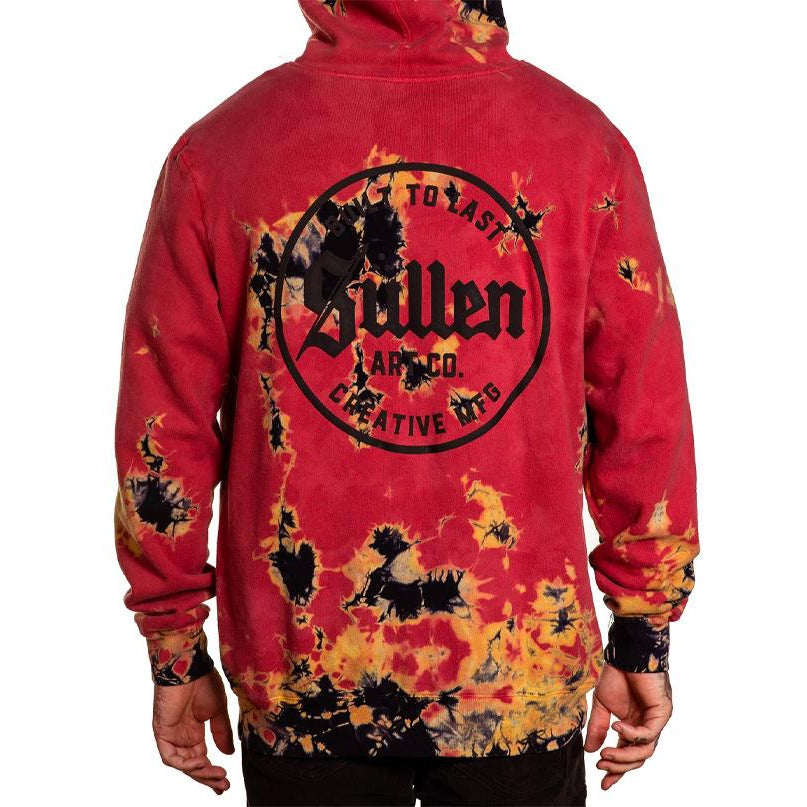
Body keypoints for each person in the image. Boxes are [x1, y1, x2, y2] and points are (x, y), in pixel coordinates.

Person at [114, 1, 699, 805]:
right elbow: (644, 411)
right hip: (515, 667)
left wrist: (175, 646)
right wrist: (642, 632)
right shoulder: (581, 146)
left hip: (304, 672)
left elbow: (163, 431)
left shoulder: (222, 152)